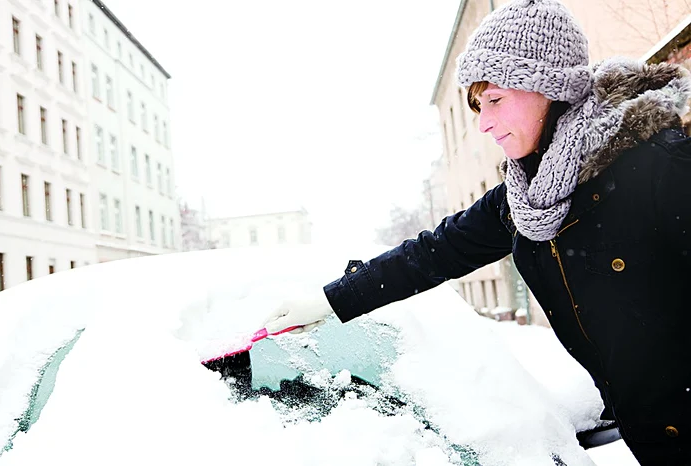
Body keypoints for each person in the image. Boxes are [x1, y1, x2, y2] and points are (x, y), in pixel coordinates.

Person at [263, 0, 691, 463]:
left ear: (548, 87)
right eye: (477, 107)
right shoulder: (524, 198)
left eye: (495, 100)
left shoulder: (662, 169)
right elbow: (432, 254)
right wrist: (329, 301)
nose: (484, 123)